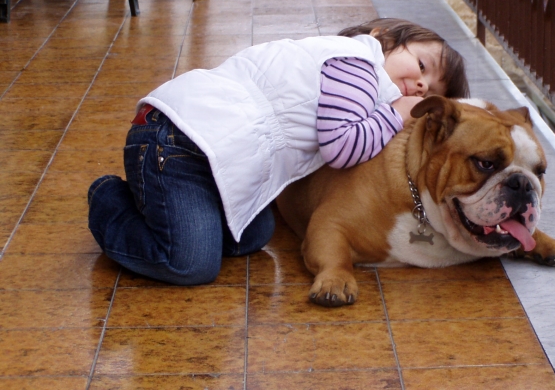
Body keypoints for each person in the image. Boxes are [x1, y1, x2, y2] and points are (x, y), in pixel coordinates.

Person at [87, 18, 469, 285]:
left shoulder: (364, 81)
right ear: (382, 36)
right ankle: (109, 199)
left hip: (206, 157)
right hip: (175, 142)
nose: (421, 84)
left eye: (432, 89)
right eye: (422, 64)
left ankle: (163, 205)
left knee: (255, 233)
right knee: (190, 265)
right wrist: (393, 117)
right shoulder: (357, 65)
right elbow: (342, 147)